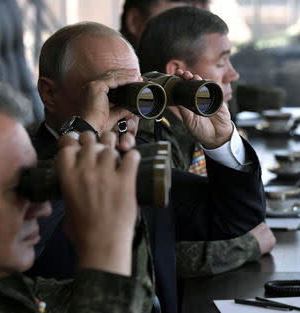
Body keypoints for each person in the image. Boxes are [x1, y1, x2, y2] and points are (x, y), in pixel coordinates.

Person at [32, 21, 265, 313]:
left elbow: (235, 215)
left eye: (137, 90)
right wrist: (83, 131)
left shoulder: (137, 158)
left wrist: (220, 142)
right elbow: (31, 240)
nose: (132, 107)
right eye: (112, 91)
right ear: (50, 93)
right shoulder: (22, 167)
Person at [0, 69, 154, 313]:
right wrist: (106, 249)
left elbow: (108, 300)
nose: (43, 208)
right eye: (21, 189)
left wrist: (118, 209)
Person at [137, 6, 276, 277]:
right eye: (221, 63)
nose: (233, 74)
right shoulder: (153, 138)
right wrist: (249, 244)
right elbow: (164, 250)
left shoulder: (195, 127)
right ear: (178, 72)